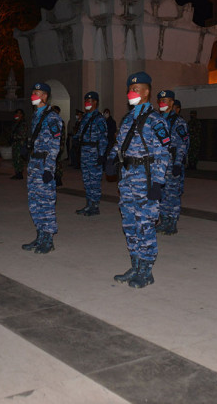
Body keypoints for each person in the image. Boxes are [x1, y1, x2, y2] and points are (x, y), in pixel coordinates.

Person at [106, 72, 171, 288]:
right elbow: (120, 144)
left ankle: (146, 270)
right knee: (129, 223)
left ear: (146, 92)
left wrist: (157, 184)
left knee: (145, 224)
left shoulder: (155, 121)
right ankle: (135, 264)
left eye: (135, 89)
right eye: (129, 89)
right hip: (127, 179)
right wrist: (112, 157)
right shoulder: (127, 119)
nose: (130, 93)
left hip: (146, 178)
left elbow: (163, 154)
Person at [21, 82, 63, 254]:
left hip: (44, 165)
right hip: (33, 164)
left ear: (45, 96)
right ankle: (39, 235)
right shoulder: (36, 115)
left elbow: (55, 145)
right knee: (34, 202)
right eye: (33, 92)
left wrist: (49, 169)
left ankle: (48, 239)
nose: (33, 95)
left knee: (46, 202)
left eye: (37, 92)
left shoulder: (53, 118)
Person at [156, 90, 189, 235]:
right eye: (160, 100)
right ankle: (164, 220)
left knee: (172, 193)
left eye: (166, 100)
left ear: (172, 103)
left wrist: (177, 163)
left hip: (171, 162)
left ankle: (172, 222)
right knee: (161, 193)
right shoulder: (156, 120)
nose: (162, 103)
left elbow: (183, 143)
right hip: (158, 163)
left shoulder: (179, 122)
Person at [74, 91, 108, 215]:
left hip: (94, 153)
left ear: (95, 102)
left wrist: (101, 155)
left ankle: (95, 206)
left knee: (94, 180)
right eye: (86, 101)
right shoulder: (85, 118)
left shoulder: (99, 119)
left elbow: (104, 138)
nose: (87, 103)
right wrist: (76, 140)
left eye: (89, 101)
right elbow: (80, 133)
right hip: (84, 152)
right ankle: (88, 204)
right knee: (86, 180)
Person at [10, 108, 28, 180]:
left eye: (19, 113)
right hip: (15, 143)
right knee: (15, 158)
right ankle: (17, 173)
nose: (18, 115)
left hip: (20, 143)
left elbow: (22, 134)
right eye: (17, 113)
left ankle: (19, 173)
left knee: (19, 159)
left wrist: (14, 137)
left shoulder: (23, 123)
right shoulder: (16, 123)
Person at [51, 105, 66, 186]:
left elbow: (62, 136)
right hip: (52, 146)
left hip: (58, 145)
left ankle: (58, 178)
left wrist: (61, 147)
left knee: (58, 163)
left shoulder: (60, 121)